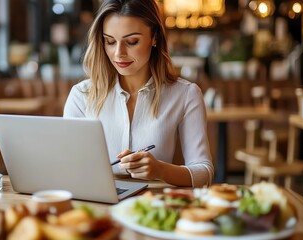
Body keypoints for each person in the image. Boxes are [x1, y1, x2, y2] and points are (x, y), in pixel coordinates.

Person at [63, 0, 213, 187]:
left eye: (132, 41)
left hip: (154, 204)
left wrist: (160, 170)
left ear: (155, 37)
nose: (119, 53)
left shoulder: (186, 94)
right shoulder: (81, 95)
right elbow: (68, 167)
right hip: (96, 201)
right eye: (110, 41)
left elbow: (204, 173)